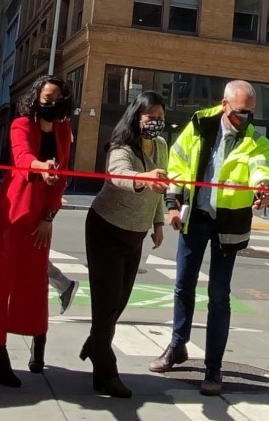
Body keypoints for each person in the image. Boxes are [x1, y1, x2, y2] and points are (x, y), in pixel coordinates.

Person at [149, 80, 269, 396]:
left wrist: (264, 188)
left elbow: (262, 167)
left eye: (249, 113)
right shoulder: (199, 126)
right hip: (196, 216)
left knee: (219, 294)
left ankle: (213, 368)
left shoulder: (254, 139)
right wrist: (172, 205)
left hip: (229, 223)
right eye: (238, 112)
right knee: (183, 284)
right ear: (224, 105)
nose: (243, 119)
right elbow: (177, 165)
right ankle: (177, 346)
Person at [0, 75, 73, 387]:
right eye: (46, 97)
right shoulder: (19, 124)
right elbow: (22, 156)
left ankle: (37, 344)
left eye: (57, 98)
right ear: (36, 97)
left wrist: (49, 216)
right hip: (12, 215)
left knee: (34, 285)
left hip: (40, 219)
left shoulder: (63, 129)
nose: (51, 103)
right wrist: (40, 167)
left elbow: (64, 175)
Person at [82, 90, 170, 398]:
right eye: (150, 118)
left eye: (160, 118)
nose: (156, 123)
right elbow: (118, 174)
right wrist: (143, 178)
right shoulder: (121, 146)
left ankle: (95, 345)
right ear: (136, 117)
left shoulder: (160, 145)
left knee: (118, 303)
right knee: (105, 307)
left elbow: (160, 186)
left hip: (135, 233)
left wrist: (158, 223)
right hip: (106, 229)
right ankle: (106, 370)